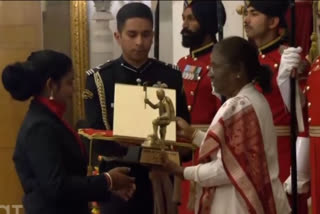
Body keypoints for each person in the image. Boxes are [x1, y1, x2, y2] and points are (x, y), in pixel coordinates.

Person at [161, 36, 291, 214]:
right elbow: (233, 150)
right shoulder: (254, 98)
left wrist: (182, 171)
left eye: (215, 66)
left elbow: (228, 169)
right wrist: (193, 135)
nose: (211, 73)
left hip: (238, 204)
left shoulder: (238, 106)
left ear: (237, 70)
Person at [84, 2, 190, 214]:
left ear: (153, 36)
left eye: (146, 34)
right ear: (118, 36)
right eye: (132, 35)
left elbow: (183, 134)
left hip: (161, 178)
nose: (140, 42)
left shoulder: (170, 76)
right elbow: (94, 138)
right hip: (119, 178)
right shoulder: (99, 79)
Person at [1, 50, 136, 214]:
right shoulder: (40, 127)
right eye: (69, 82)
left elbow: (70, 176)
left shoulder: (50, 119)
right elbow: (57, 187)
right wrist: (107, 180)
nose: (73, 91)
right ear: (51, 85)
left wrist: (107, 187)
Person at [244, 1, 310, 212]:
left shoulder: (288, 58)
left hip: (280, 154)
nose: (246, 20)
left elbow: (302, 114)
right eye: (246, 13)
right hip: (250, 153)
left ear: (273, 21)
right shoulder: (249, 60)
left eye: (254, 14)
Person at [177, 1, 226, 213]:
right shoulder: (182, 63)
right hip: (185, 152)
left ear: (206, 22)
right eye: (183, 18)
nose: (184, 25)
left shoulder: (221, 63)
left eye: (191, 19)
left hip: (210, 151)